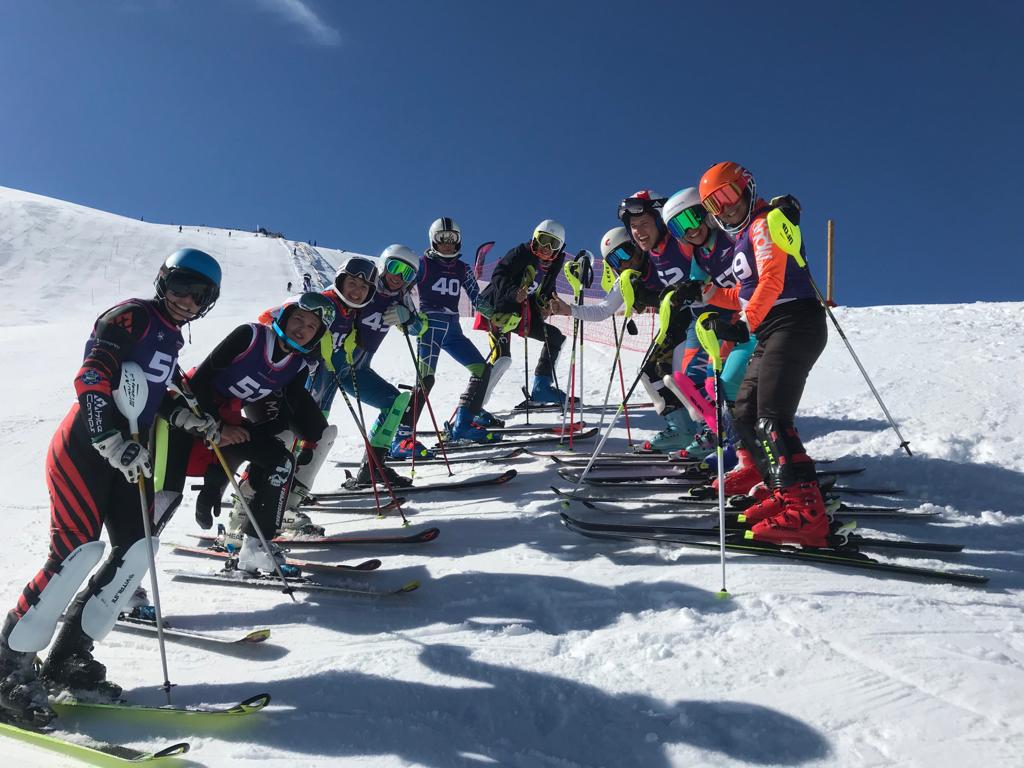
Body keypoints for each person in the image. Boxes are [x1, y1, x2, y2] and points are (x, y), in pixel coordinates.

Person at [0, 249, 222, 724]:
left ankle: (68, 659)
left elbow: (149, 392)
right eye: (182, 285)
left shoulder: (170, 338)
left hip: (130, 454)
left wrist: (181, 414)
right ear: (164, 281)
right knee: (75, 553)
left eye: (200, 294)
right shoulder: (132, 317)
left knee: (137, 550)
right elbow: (94, 375)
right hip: (85, 446)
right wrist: (106, 435)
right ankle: (7, 665)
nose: (188, 299)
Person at [697, 162, 828, 546]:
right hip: (773, 328)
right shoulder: (742, 239)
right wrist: (704, 293)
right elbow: (742, 290)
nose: (724, 208)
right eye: (714, 205)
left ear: (747, 187)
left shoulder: (765, 221)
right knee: (746, 411)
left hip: (794, 322)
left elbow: (773, 277)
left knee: (772, 415)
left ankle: (806, 513)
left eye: (728, 195)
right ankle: (779, 490)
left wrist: (744, 323)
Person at [162, 293, 333, 571]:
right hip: (185, 413)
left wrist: (305, 442)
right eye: (298, 319)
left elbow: (285, 415)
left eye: (311, 326)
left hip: (225, 419)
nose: (302, 329)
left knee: (280, 462)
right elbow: (200, 382)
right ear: (283, 317)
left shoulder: (297, 365)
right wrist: (220, 428)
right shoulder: (251, 336)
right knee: (163, 497)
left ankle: (256, 547)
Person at [548, 228, 701, 449]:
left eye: (625, 252)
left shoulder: (658, 258)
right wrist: (569, 309)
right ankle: (681, 429)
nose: (623, 263)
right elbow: (603, 309)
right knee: (649, 373)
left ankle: (709, 432)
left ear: (637, 245)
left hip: (696, 319)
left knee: (683, 375)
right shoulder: (626, 279)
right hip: (674, 326)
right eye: (614, 260)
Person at [660, 187, 754, 464]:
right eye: (679, 228)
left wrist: (708, 294)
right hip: (725, 322)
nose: (689, 231)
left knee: (726, 385)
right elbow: (697, 286)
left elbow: (747, 290)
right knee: (693, 381)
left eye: (691, 219)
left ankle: (743, 447)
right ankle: (722, 437)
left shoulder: (731, 238)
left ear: (706, 213)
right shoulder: (700, 255)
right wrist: (684, 293)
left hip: (750, 321)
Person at [413, 218, 500, 445]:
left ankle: (463, 424)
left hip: (453, 329)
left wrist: (496, 316)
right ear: (433, 240)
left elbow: (477, 299)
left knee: (482, 370)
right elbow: (402, 290)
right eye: (442, 239)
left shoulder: (462, 269)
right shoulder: (422, 264)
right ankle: (402, 436)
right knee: (424, 380)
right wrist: (409, 316)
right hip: (429, 326)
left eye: (452, 239)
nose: (448, 244)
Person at [476, 219, 570, 408]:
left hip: (523, 313)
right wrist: (513, 293)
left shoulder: (554, 264)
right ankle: (474, 408)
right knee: (502, 359)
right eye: (543, 240)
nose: (546, 247)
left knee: (554, 337)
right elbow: (498, 275)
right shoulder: (521, 253)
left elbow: (545, 290)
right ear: (535, 238)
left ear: (559, 249)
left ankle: (541, 389)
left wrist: (546, 302)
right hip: (499, 310)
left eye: (553, 244)